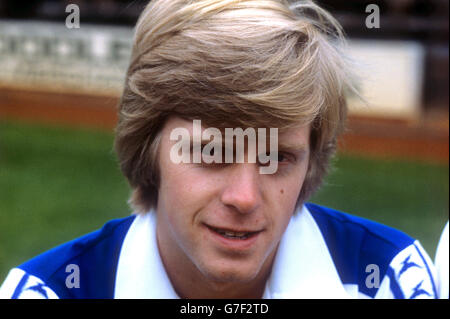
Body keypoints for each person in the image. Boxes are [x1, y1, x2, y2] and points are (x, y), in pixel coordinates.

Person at [0, 0, 438, 299]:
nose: (244, 197)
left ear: (311, 162)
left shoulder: (388, 279)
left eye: (278, 157)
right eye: (212, 154)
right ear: (148, 148)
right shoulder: (50, 291)